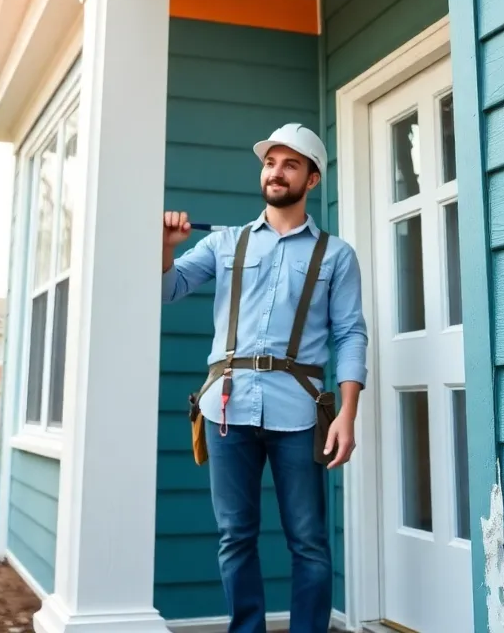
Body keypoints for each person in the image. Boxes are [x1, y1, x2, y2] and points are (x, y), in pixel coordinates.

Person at [161, 122, 368, 633]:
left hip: (299, 412)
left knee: (309, 541)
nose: (276, 172)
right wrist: (166, 246)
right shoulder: (224, 243)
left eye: (290, 164)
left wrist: (347, 412)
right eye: (271, 162)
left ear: (312, 179)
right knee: (235, 536)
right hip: (225, 408)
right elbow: (168, 289)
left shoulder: (336, 255)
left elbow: (351, 335)